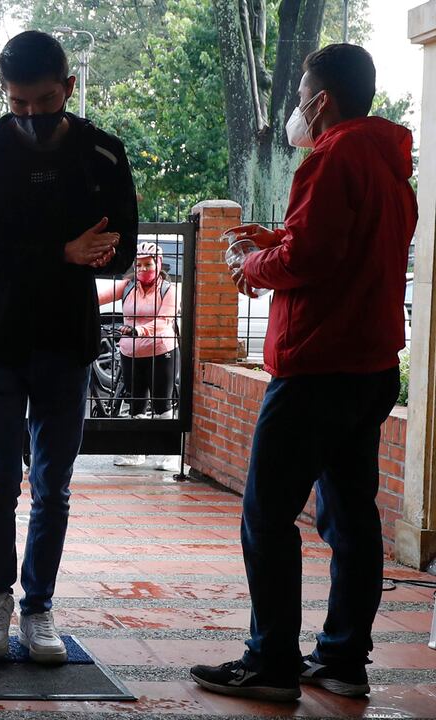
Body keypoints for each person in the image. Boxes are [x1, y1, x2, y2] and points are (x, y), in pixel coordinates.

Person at [190, 44, 417, 703]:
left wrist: (252, 267)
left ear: (321, 101)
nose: (294, 110)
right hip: (368, 365)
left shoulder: (334, 154)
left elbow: (313, 257)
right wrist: (276, 241)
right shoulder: (388, 164)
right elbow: (338, 247)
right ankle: (344, 659)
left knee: (265, 515)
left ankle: (270, 664)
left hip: (316, 367)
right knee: (350, 518)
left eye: (298, 96)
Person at [0, 31, 137, 662]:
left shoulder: (104, 156)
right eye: (17, 103)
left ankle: (39, 606)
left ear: (68, 87)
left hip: (66, 340)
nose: (30, 114)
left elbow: (118, 260)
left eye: (42, 100)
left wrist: (85, 254)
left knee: (53, 484)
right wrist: (65, 251)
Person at [95, 241, 180, 470]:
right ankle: (136, 451)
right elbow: (98, 297)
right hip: (130, 352)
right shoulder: (128, 286)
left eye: (148, 264)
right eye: (139, 265)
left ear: (158, 264)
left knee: (163, 404)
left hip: (161, 350)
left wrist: (138, 330)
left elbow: (164, 320)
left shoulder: (167, 290)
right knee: (136, 403)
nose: (142, 269)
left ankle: (169, 454)